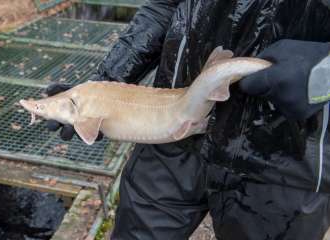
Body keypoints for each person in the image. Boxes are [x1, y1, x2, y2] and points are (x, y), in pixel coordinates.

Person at [46, 1, 330, 239]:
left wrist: (323, 68)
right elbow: (164, 7)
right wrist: (101, 87)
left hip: (286, 150)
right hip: (168, 130)